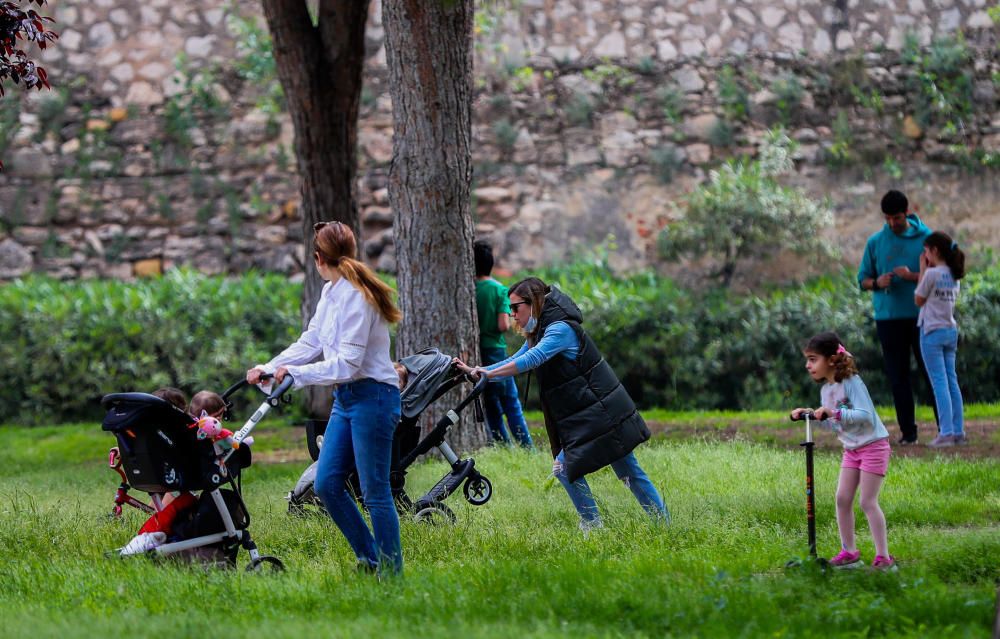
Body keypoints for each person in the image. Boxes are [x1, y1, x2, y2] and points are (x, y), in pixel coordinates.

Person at [246, 221, 403, 576]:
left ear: (318, 258)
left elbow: (348, 364)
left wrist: (296, 375)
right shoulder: (331, 292)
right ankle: (370, 558)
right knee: (327, 483)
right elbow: (311, 342)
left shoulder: (358, 297)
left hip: (373, 398)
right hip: (346, 400)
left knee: (375, 491)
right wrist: (270, 367)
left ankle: (392, 575)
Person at [455, 277, 667, 531]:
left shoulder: (560, 329)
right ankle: (661, 526)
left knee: (568, 467)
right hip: (595, 411)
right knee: (627, 469)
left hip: (603, 411)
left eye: (516, 308)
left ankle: (595, 525)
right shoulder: (541, 329)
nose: (512, 315)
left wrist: (486, 375)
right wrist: (478, 371)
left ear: (533, 303)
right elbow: (517, 357)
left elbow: (532, 359)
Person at [790, 331, 895, 570]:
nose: (808, 365)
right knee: (842, 499)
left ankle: (884, 558)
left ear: (830, 359)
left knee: (868, 502)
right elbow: (835, 423)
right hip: (852, 449)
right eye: (807, 359)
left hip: (873, 446)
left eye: (813, 359)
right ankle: (849, 552)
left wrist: (834, 413)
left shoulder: (851, 382)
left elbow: (865, 416)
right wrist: (812, 415)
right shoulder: (826, 391)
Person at [857, 189, 934, 445]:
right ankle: (908, 433)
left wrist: (914, 275)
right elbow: (862, 280)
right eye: (888, 218)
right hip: (888, 319)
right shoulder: (875, 242)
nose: (892, 223)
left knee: (931, 373)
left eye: (897, 218)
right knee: (898, 376)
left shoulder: (927, 238)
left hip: (924, 316)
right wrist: (877, 282)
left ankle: (946, 429)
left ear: (907, 213)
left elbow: (952, 267)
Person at [473, 240, 533, 449]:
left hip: (478, 351)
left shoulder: (469, 289)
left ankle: (504, 447)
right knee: (511, 402)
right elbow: (503, 324)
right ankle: (527, 449)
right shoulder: (499, 290)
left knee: (491, 404)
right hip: (496, 350)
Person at [915, 232, 967, 447]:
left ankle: (945, 433)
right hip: (949, 330)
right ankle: (958, 432)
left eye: (926, 250)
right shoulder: (954, 275)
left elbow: (918, 299)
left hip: (931, 332)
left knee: (939, 383)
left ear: (934, 251)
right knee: (951, 381)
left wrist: (922, 269)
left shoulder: (932, 274)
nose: (925, 254)